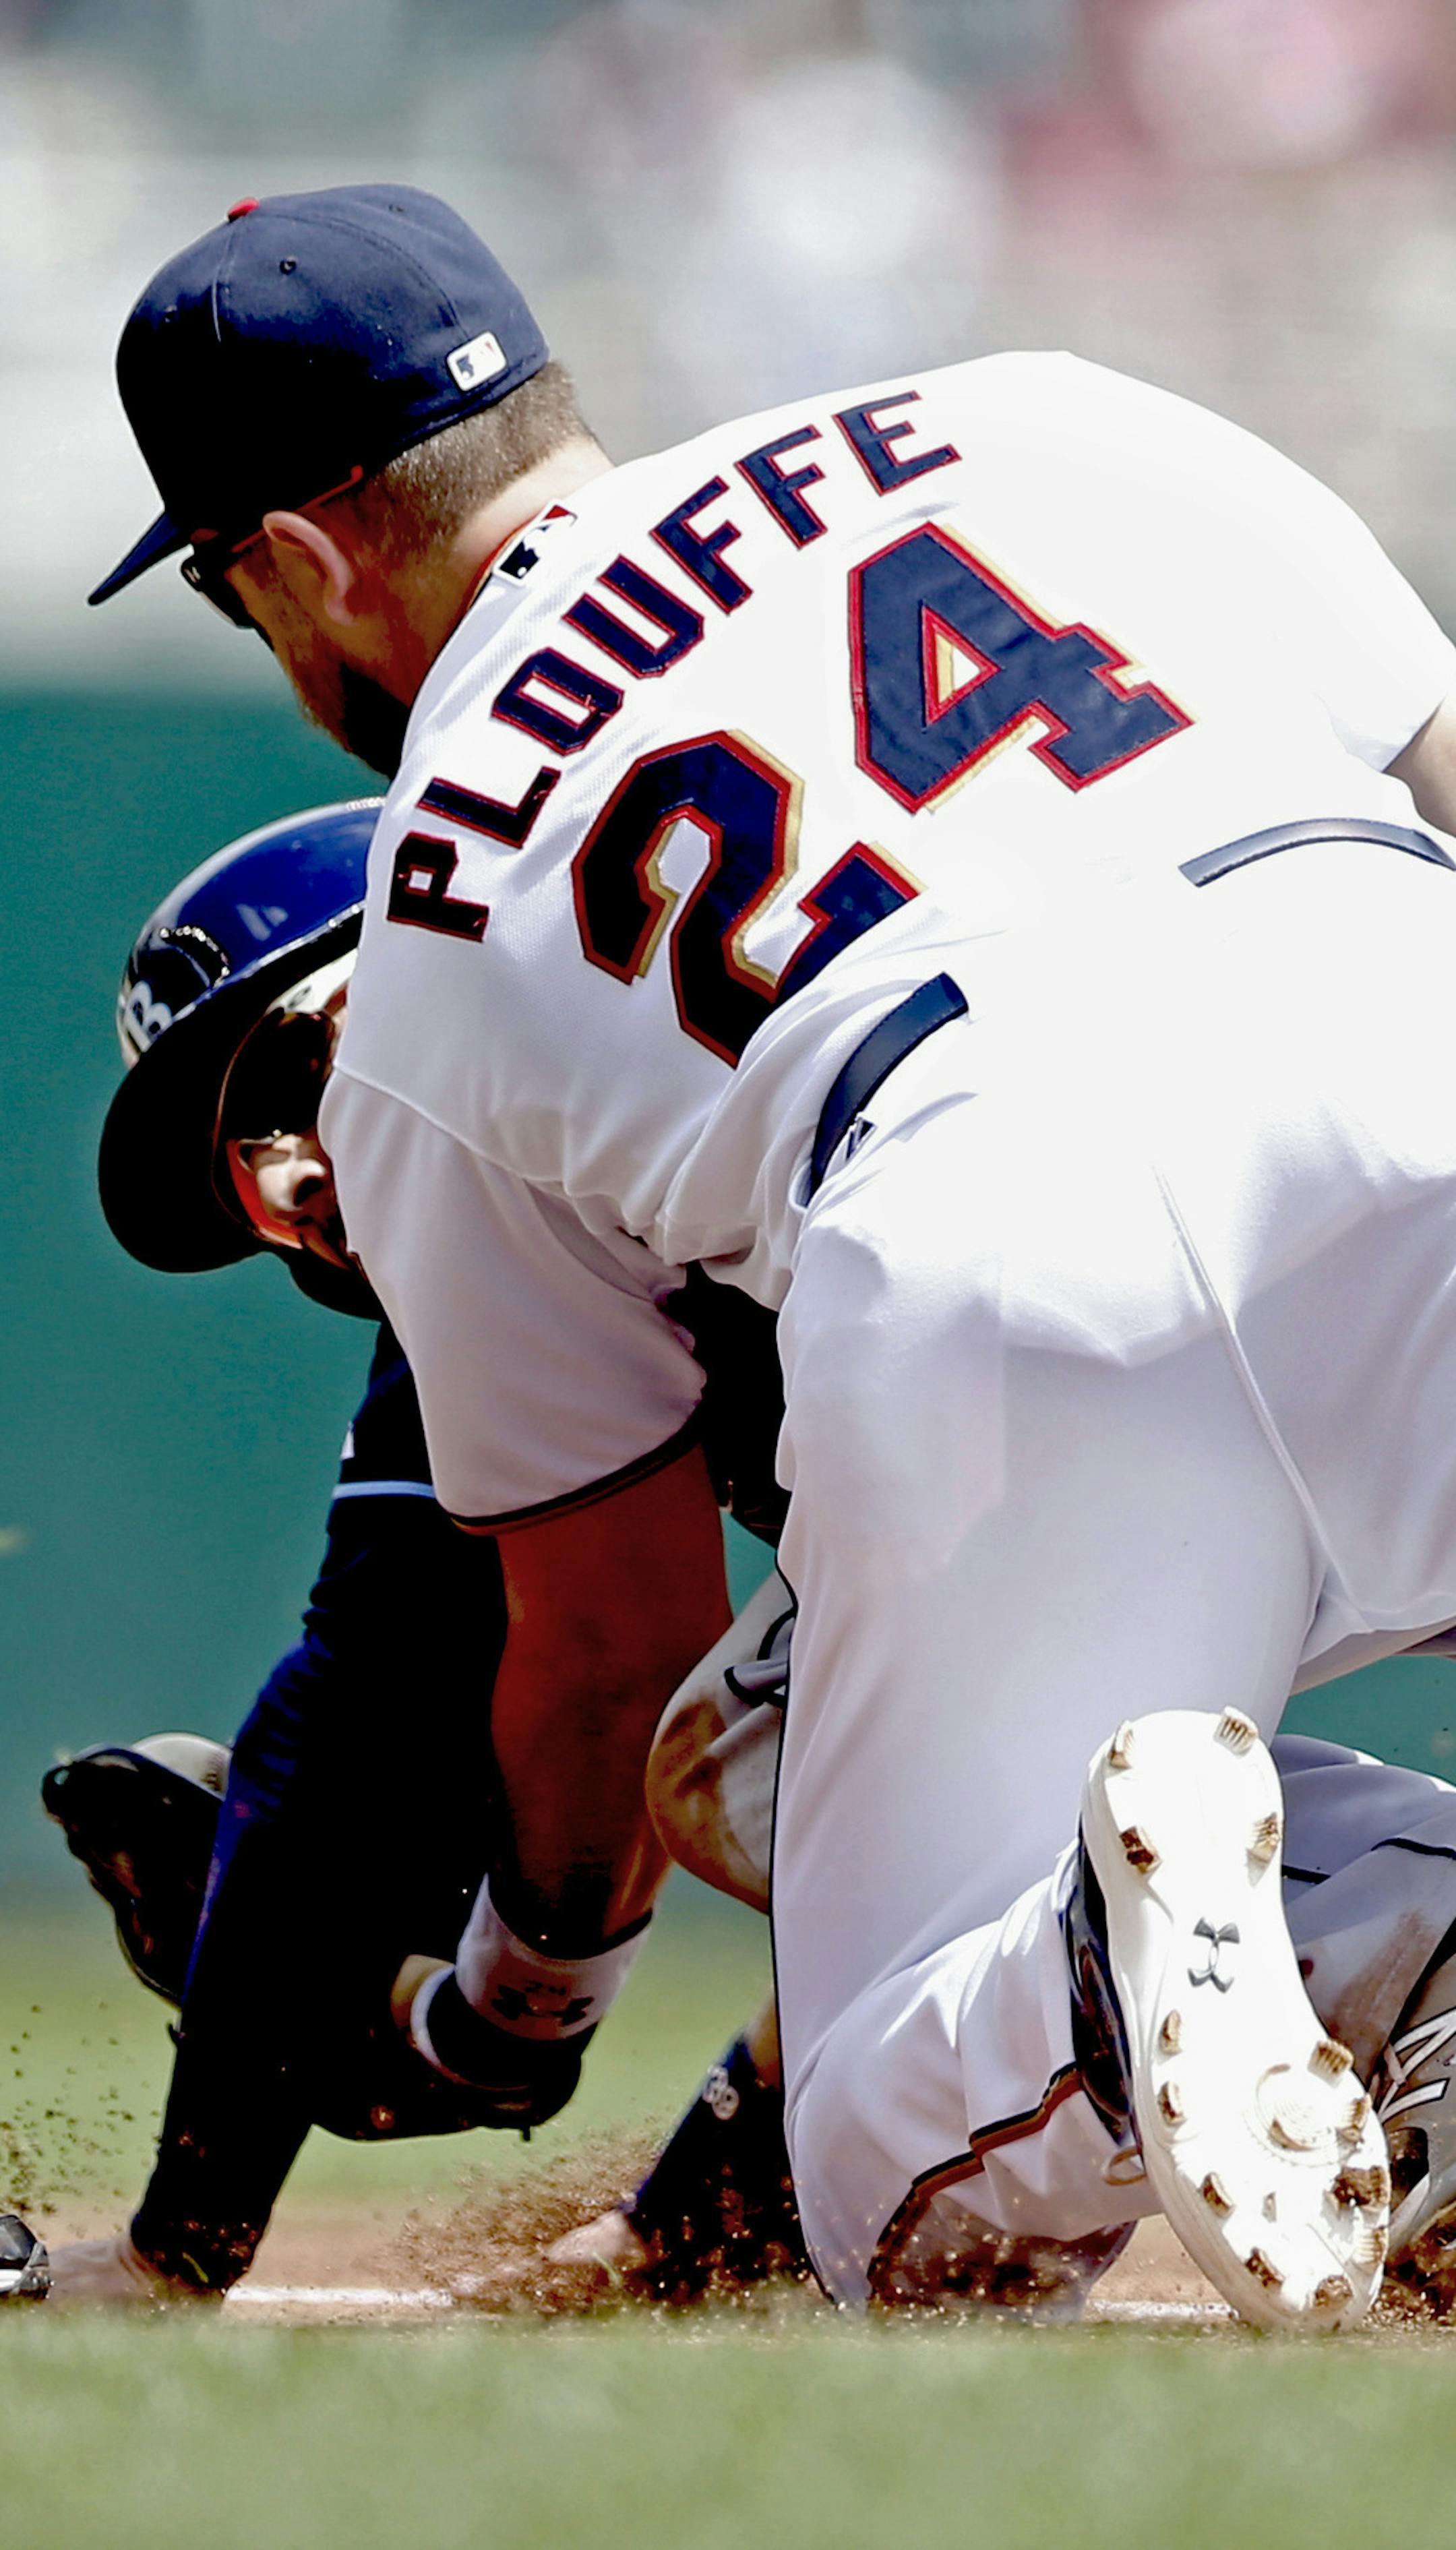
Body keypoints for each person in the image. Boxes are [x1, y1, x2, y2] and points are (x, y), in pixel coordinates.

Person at [90, 184, 1456, 2326]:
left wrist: (508, 2009)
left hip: (1001, 1213)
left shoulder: (436, 912)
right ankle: (1399, 1961)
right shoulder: (1041, 414)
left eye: (237, 598)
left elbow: (604, 1633)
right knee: (769, 1722)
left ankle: (1196, 1956)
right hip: (1399, 987)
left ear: (306, 550)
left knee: (903, 2184)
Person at [42, 801, 791, 2307]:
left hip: (1198, 1354)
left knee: (815, 1746)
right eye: (246, 1170)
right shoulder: (617, 1062)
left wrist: (171, 2251)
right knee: (859, 1712)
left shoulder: (480, 1134)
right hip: (1309, 1275)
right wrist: (486, 2023)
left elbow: (373, 1711)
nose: (295, 1191)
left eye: (280, 1087)